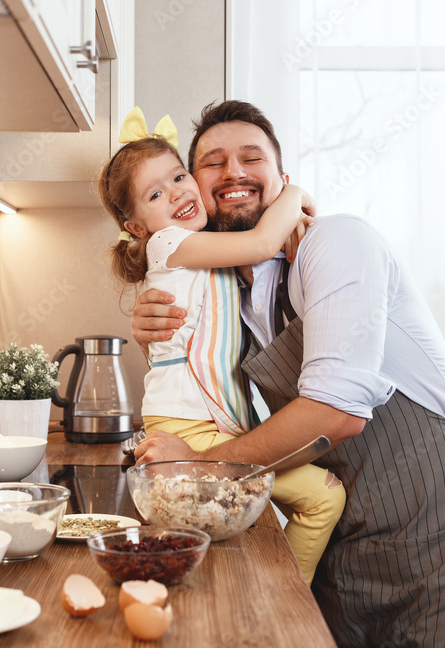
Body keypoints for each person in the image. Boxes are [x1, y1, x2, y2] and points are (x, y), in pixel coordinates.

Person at [131, 100, 445, 647]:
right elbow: (196, 374)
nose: (233, 173)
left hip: (437, 534)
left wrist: (203, 466)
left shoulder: (336, 244)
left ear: (284, 182)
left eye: (252, 158)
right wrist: (152, 328)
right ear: (193, 190)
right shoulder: (232, 294)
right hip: (348, 538)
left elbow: (336, 412)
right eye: (212, 163)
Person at [99, 106, 344, 585]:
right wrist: (294, 193)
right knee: (322, 498)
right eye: (155, 193)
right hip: (189, 427)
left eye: (177, 176)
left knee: (202, 539)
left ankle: (275, 598)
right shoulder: (168, 243)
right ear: (137, 228)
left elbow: (260, 249)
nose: (175, 193)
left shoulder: (207, 247)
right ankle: (284, 601)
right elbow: (258, 243)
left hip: (211, 424)